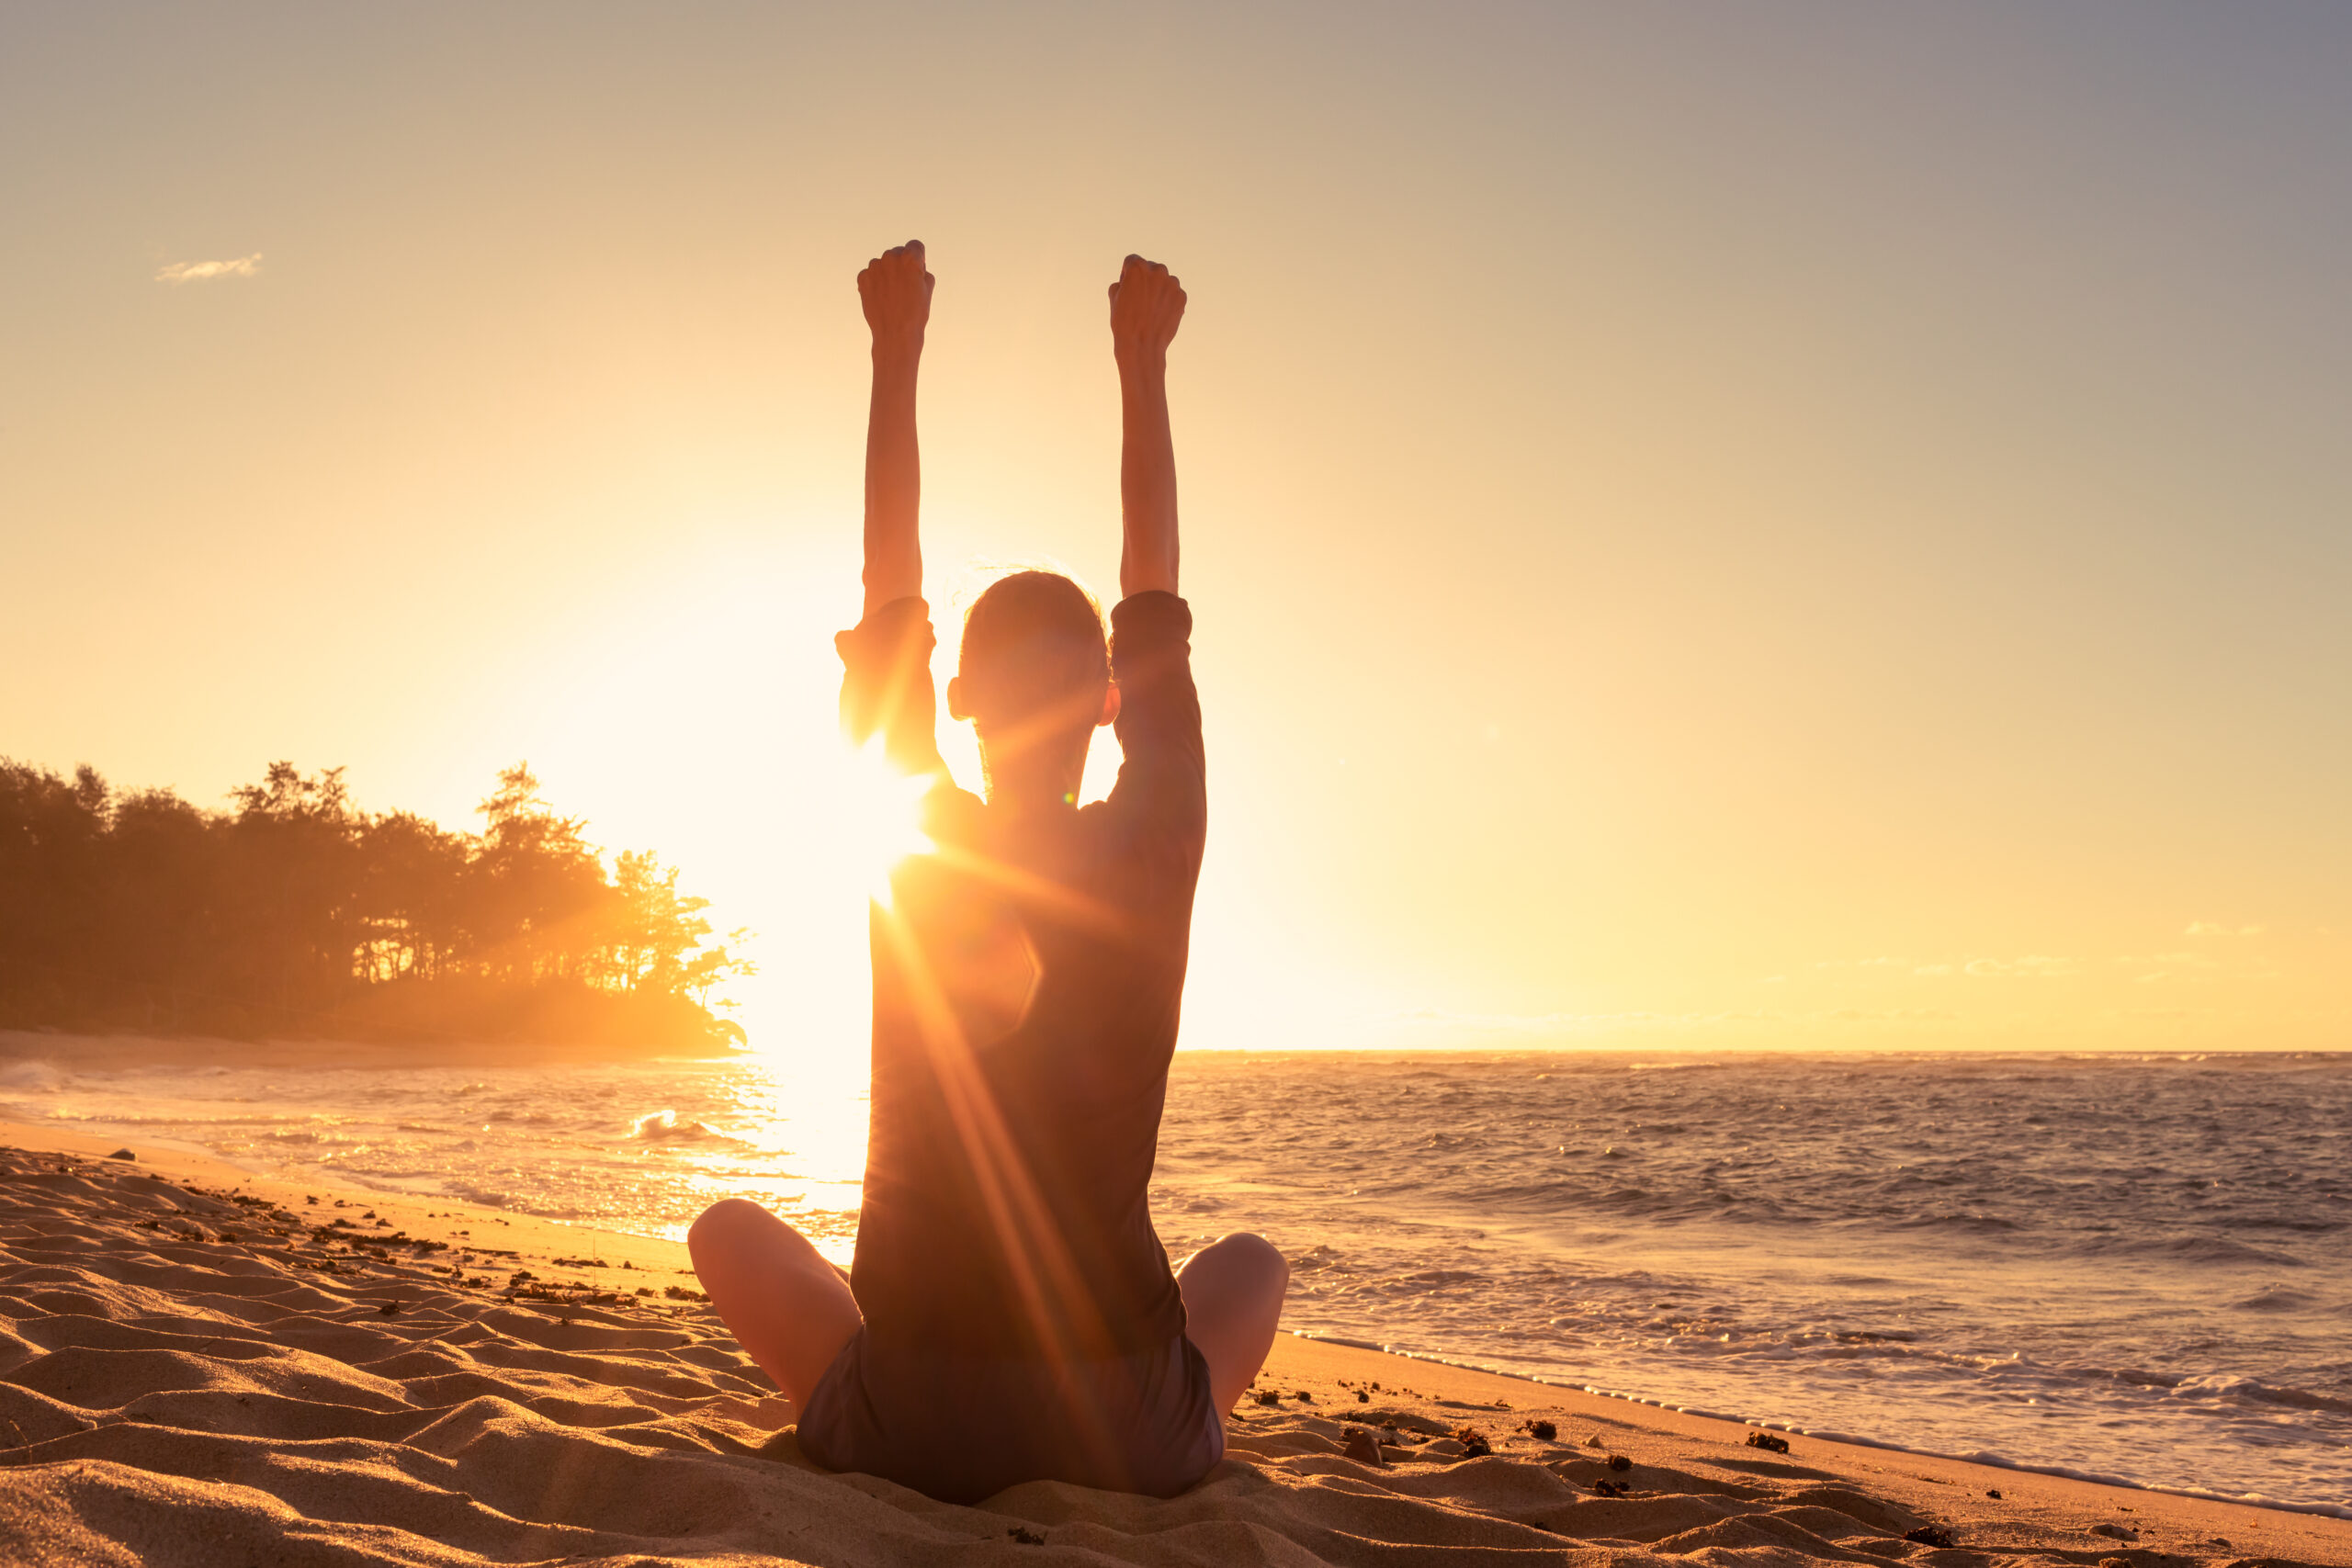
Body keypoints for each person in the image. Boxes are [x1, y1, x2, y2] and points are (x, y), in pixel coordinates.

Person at [686, 241, 1288, 1505]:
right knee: (1250, 1267)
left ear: (957, 699)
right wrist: (1142, 365)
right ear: (1110, 702)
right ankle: (1178, 1430)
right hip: (1122, 1424)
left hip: (916, 1414)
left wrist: (893, 353)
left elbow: (886, 580)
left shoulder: (914, 826)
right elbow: (1155, 582)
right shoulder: (1157, 832)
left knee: (725, 1233)